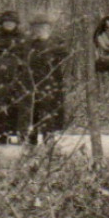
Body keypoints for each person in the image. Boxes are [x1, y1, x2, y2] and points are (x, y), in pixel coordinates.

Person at [19, 13, 69, 146]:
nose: (39, 30)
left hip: (51, 83)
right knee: (32, 111)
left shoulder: (56, 41)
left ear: (49, 28)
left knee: (49, 110)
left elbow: (65, 54)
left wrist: (47, 43)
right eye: (37, 27)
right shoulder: (27, 43)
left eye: (43, 27)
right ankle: (32, 138)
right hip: (31, 82)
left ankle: (48, 136)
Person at [0, 10, 24, 144]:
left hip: (18, 76)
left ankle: (20, 134)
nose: (9, 24)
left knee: (18, 105)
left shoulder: (23, 37)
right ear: (1, 23)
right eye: (6, 22)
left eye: (11, 22)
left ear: (16, 23)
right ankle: (3, 134)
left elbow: (27, 56)